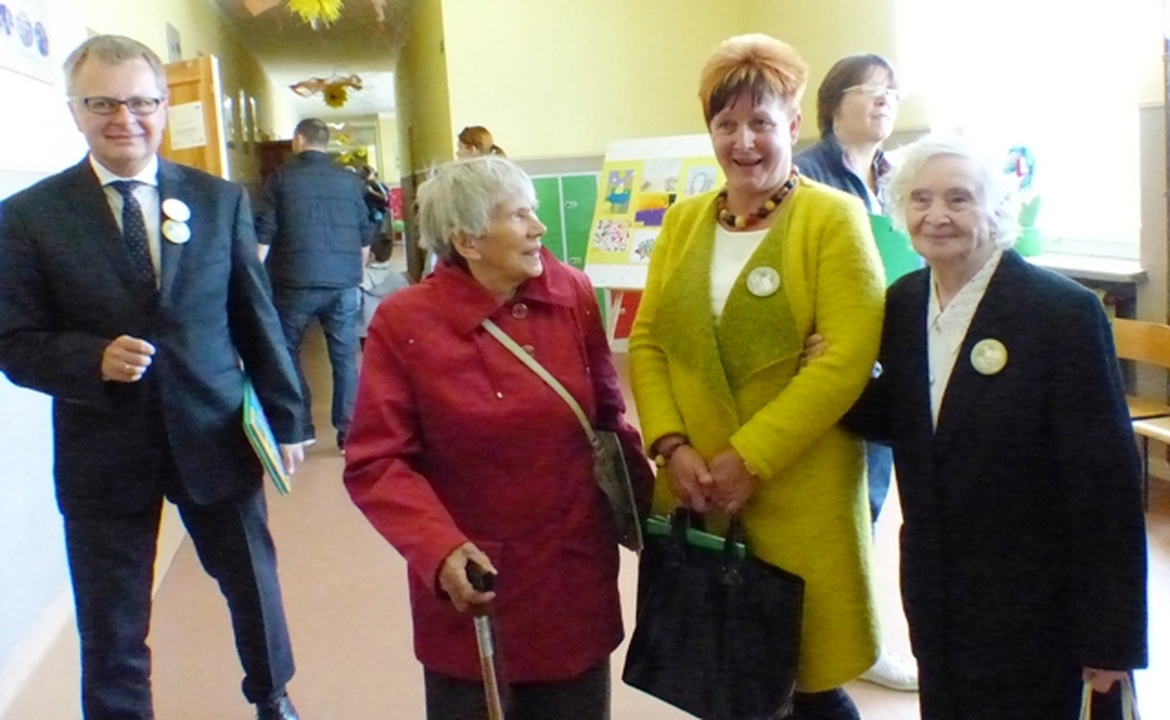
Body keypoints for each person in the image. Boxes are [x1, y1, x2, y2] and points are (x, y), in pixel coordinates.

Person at [0, 35, 305, 720]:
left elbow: (254, 317)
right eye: (102, 104)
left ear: (165, 106)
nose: (125, 119)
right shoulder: (27, 218)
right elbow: (13, 343)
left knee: (252, 585)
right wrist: (90, 359)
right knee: (111, 617)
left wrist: (286, 417)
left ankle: (272, 697)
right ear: (74, 111)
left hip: (214, 431)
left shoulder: (219, 201)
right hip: (102, 448)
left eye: (141, 102)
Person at [844, 135, 1148, 719]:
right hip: (938, 595)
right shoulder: (903, 304)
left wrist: (1112, 641)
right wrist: (827, 368)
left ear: (998, 209)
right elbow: (902, 421)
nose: (937, 216)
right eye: (920, 199)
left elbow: (1105, 487)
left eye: (959, 199)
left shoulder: (1060, 313)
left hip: (1038, 608)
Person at [628, 34, 885, 719]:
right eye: (726, 124)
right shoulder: (683, 222)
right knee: (719, 671)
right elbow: (648, 340)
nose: (743, 142)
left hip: (797, 482)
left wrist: (751, 457)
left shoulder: (832, 218)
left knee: (808, 681)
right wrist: (670, 445)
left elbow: (845, 359)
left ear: (794, 127)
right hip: (696, 485)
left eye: (761, 122)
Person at [344, 156, 652, 719]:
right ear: (468, 241)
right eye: (518, 216)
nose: (539, 227)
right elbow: (377, 461)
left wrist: (656, 506)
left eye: (534, 211)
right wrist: (438, 547)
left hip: (574, 575)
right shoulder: (405, 322)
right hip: (477, 581)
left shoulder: (572, 293)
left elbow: (607, 416)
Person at [794, 53, 918, 693]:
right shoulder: (805, 175)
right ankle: (823, 644)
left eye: (893, 91)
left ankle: (858, 637)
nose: (885, 100)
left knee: (873, 502)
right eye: (871, 89)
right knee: (833, 508)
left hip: (890, 360)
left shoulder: (900, 176)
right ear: (833, 102)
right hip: (827, 363)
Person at [256, 118, 375, 452]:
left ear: (298, 139)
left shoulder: (280, 179)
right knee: (344, 357)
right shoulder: (349, 181)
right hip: (343, 283)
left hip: (294, 282)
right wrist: (357, 273)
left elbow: (264, 234)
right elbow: (365, 233)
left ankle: (300, 426)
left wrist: (251, 280)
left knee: (287, 351)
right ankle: (348, 433)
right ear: (326, 142)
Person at [358, 236, 409, 349]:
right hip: (391, 326)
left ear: (370, 255)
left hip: (366, 329)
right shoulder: (399, 279)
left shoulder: (360, 279)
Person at [359, 164, 390, 229]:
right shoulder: (368, 184)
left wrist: (372, 192)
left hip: (375, 212)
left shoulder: (373, 184)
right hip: (373, 212)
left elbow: (385, 197)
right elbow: (385, 197)